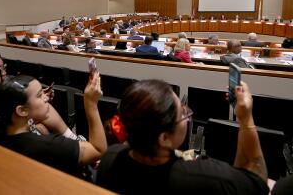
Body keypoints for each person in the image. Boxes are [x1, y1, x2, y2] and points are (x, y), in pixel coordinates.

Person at [96, 79, 268, 194]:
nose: (187, 116)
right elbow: (257, 182)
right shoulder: (207, 179)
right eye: (183, 114)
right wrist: (245, 118)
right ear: (164, 138)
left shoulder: (109, 159)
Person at [0, 73, 107, 179]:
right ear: (22, 111)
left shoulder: (4, 129)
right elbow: (98, 149)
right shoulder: (46, 145)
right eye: (40, 95)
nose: (46, 98)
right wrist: (91, 104)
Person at [0, 50, 79, 141]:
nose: (3, 73)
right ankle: (73, 139)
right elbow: (3, 129)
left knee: (44, 112)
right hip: (8, 142)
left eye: (3, 67)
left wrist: (38, 96)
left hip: (22, 123)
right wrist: (34, 123)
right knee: (43, 125)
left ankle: (72, 139)